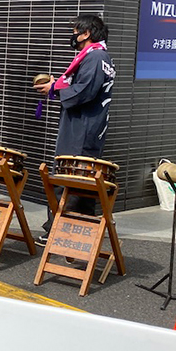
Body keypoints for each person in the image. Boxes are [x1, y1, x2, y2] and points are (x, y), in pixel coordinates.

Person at [33, 14, 116, 238]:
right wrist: (55, 85)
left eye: (75, 32)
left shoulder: (96, 57)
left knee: (70, 175)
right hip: (87, 124)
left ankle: (58, 231)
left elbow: (84, 90)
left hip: (83, 127)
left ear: (86, 33)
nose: (73, 36)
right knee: (83, 179)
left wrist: (54, 89)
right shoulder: (97, 56)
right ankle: (83, 230)